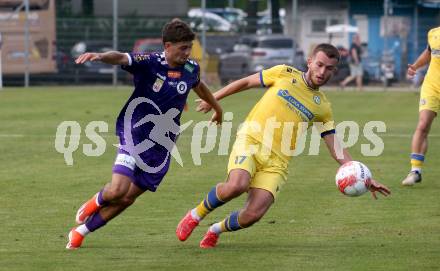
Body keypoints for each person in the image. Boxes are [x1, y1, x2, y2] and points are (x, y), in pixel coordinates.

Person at [176, 43, 391, 249]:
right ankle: (196, 214)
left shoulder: (322, 106)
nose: (323, 71)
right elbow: (245, 82)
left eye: (329, 68)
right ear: (309, 61)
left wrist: (362, 176)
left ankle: (215, 229)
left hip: (278, 161)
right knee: (237, 185)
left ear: (334, 72)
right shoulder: (284, 73)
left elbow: (334, 144)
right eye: (319, 64)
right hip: (251, 140)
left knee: (252, 215)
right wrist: (213, 100)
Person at [66, 18, 223, 249]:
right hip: (135, 131)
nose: (188, 53)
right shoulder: (150, 62)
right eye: (183, 48)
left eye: (189, 47)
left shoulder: (191, 68)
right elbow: (120, 57)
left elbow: (199, 85)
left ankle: (80, 232)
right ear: (167, 46)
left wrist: (217, 107)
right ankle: (96, 201)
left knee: (128, 198)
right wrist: (100, 56)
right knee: (118, 190)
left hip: (162, 144)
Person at [401, 26, 440, 186]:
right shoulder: (433, 32)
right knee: (423, 125)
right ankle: (415, 171)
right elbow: (429, 52)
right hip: (432, 86)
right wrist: (416, 66)